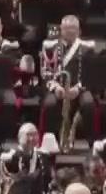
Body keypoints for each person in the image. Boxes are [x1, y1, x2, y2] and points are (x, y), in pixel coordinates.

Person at [39, 14, 95, 145]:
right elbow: (45, 71)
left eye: (73, 28)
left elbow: (91, 73)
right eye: (66, 28)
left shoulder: (87, 47)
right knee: (49, 104)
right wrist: (56, 87)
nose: (70, 31)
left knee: (89, 104)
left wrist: (78, 89)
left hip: (79, 88)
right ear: (61, 29)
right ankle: (50, 141)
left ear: (79, 30)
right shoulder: (50, 46)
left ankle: (92, 142)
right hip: (57, 87)